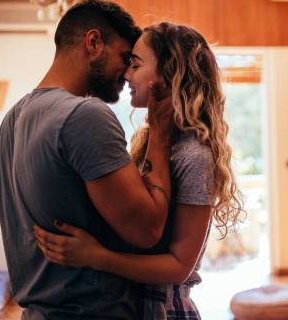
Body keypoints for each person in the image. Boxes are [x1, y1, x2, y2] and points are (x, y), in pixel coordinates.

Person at [34, 22, 244, 319]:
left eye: (135, 64)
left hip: (164, 310)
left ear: (170, 73)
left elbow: (179, 267)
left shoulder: (194, 155)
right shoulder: (152, 141)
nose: (126, 74)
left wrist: (97, 257)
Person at [0, 0, 175, 319]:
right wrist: (159, 135)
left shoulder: (11, 121)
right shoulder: (84, 115)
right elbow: (147, 231)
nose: (128, 72)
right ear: (93, 42)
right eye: (125, 58)